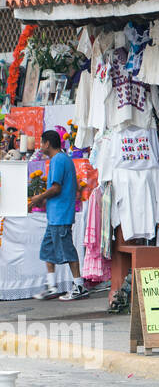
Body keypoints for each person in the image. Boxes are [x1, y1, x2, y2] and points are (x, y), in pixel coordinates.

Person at [29, 129, 84, 301]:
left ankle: (79, 285)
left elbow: (56, 188)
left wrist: (39, 197)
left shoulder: (58, 160)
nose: (40, 146)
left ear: (47, 144)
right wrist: (45, 200)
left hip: (60, 214)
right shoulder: (60, 159)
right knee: (48, 250)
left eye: (41, 143)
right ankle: (52, 286)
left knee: (67, 250)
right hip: (56, 214)